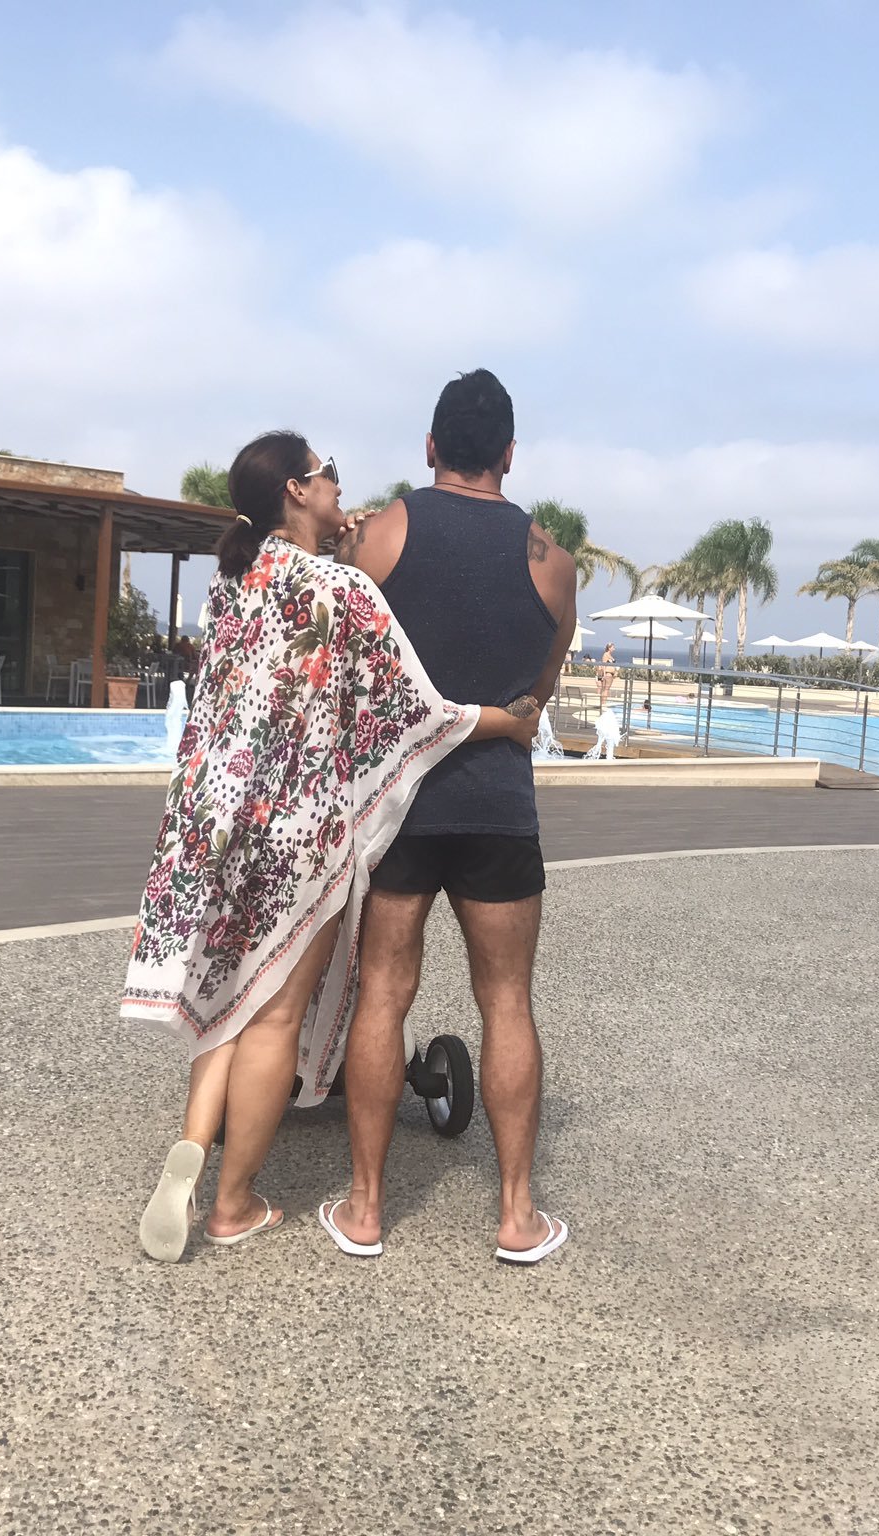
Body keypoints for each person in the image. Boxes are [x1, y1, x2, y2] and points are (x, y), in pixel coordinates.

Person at [124, 430, 542, 1263]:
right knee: (276, 1014)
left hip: (218, 824)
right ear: (296, 490)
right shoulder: (339, 590)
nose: (339, 485)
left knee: (227, 1000)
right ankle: (232, 1204)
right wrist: (506, 721)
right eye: (328, 475)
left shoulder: (234, 582)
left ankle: (195, 1147)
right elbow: (412, 705)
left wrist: (339, 544)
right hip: (297, 830)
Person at [331, 369, 577, 1264]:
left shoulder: (380, 536)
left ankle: (365, 1210)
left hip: (396, 804)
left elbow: (342, 669)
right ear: (510, 453)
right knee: (507, 1000)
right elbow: (537, 692)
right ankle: (517, 1216)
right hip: (498, 807)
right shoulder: (553, 562)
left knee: (383, 993)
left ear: (431, 446)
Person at [596, 642, 618, 713]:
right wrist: (604, 674)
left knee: (606, 689)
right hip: (608, 674)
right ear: (609, 648)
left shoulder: (609, 655)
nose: (614, 649)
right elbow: (604, 665)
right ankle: (603, 704)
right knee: (606, 689)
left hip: (610, 674)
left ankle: (603, 704)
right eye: (613, 647)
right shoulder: (605, 655)